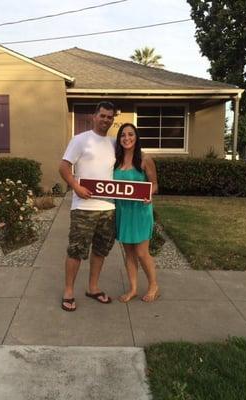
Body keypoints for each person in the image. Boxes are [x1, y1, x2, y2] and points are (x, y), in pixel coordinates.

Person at [58, 101, 117, 312]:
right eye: (103, 115)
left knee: (100, 250)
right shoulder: (80, 140)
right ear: (94, 116)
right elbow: (64, 166)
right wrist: (75, 186)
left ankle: (93, 288)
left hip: (108, 209)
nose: (106, 120)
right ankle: (68, 291)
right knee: (76, 250)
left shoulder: (114, 143)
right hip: (83, 207)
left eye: (110, 117)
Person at [113, 123, 160, 302]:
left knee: (141, 252)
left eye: (130, 134)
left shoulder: (144, 159)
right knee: (129, 253)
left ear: (136, 137)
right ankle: (133, 288)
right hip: (123, 212)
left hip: (140, 211)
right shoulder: (115, 161)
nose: (126, 138)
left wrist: (149, 193)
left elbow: (155, 184)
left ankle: (153, 285)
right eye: (123, 135)